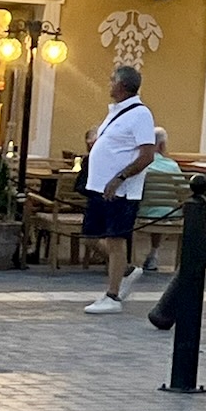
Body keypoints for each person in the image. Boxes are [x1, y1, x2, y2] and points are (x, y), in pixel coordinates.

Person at [82, 65, 157, 315]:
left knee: (115, 239)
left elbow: (147, 155)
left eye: (112, 80)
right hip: (99, 187)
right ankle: (124, 269)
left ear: (122, 86)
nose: (108, 83)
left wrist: (120, 177)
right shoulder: (117, 112)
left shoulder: (140, 114)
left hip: (121, 191)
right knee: (92, 236)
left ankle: (112, 296)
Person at [136, 128, 190, 273]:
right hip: (168, 214)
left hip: (140, 213)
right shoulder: (171, 166)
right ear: (161, 145)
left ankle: (132, 258)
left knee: (153, 209)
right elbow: (184, 192)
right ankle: (154, 252)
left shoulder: (139, 165)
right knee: (163, 209)